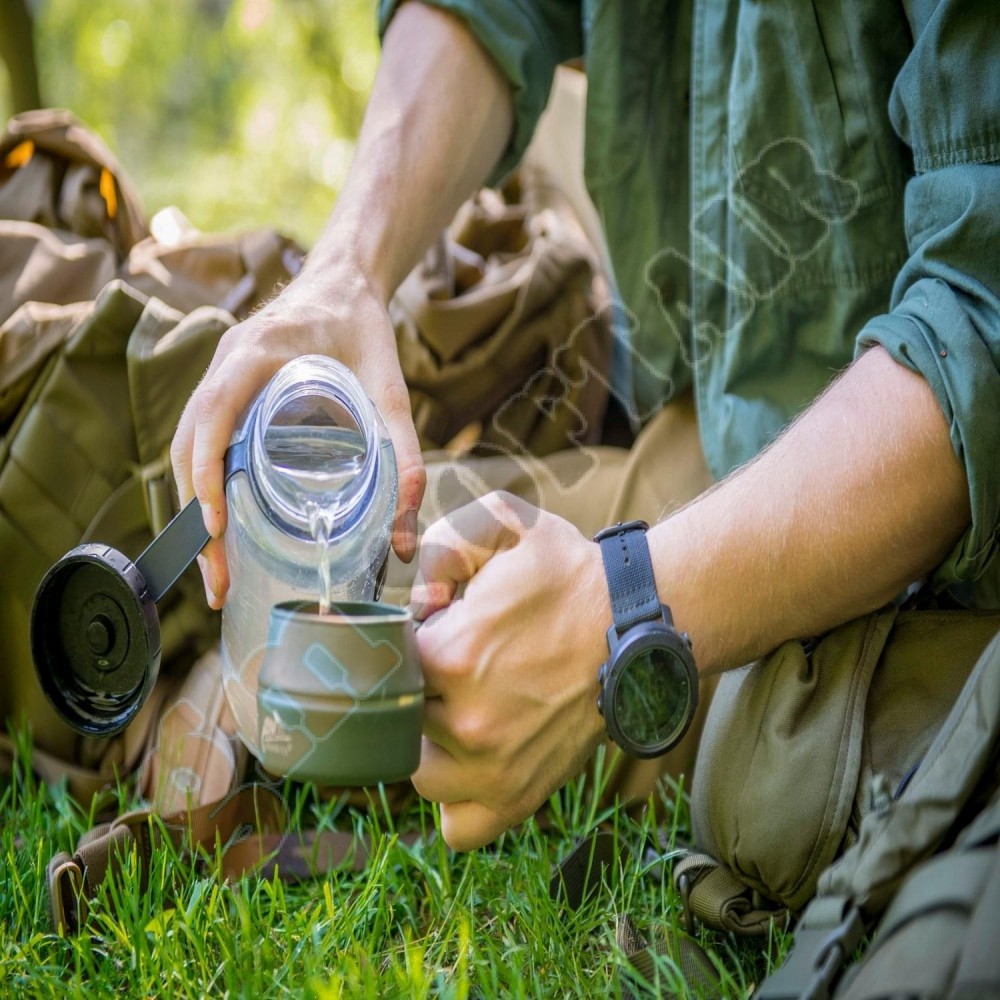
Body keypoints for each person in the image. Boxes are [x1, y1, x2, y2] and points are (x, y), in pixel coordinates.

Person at [170, 1, 1000, 852]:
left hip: (930, 524)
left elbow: (981, 336)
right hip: (710, 439)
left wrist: (618, 613)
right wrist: (346, 271)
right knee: (367, 586)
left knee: (767, 794)